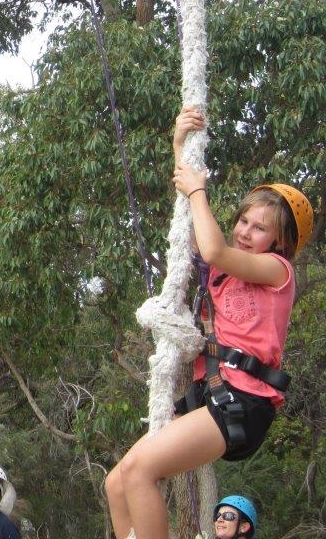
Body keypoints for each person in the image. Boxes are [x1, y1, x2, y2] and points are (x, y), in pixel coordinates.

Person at [104, 105, 312, 539]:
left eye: (259, 229)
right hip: (212, 394)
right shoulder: (220, 272)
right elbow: (190, 226)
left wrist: (200, 191)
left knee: (141, 471)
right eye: (243, 221)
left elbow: (213, 246)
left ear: (281, 242)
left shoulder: (278, 272)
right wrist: (179, 144)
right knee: (117, 483)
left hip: (244, 400)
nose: (245, 231)